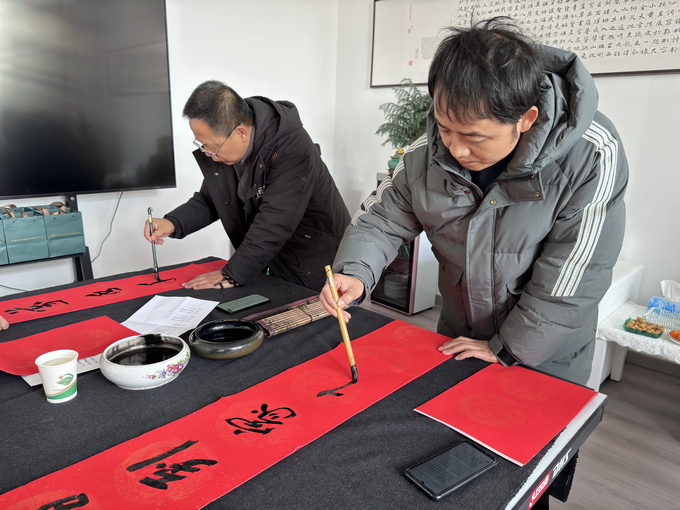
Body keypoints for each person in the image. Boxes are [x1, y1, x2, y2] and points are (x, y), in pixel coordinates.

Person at [320, 18, 628, 386]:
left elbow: (575, 272)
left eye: (474, 137)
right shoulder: (427, 154)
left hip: (545, 351)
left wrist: (508, 348)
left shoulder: (591, 154)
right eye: (444, 128)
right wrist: (354, 272)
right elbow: (380, 221)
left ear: (526, 118)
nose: (456, 149)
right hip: (459, 335)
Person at [145, 81, 351, 291]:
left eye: (212, 146)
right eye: (202, 145)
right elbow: (211, 200)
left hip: (314, 264)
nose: (208, 153)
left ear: (241, 133)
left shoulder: (293, 148)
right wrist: (172, 223)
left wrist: (232, 274)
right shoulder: (227, 150)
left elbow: (274, 223)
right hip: (272, 261)